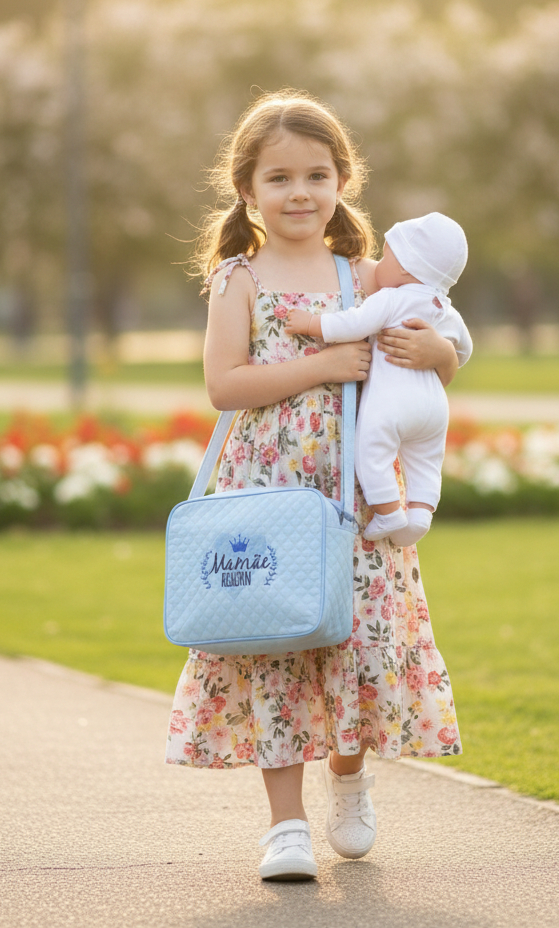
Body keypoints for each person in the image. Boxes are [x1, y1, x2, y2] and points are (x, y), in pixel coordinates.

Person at [166, 90, 464, 883]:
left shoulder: (363, 275)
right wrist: (327, 364)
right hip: (267, 486)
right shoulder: (238, 278)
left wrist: (440, 354)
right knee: (274, 644)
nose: (300, 193)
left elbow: (439, 344)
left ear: (342, 182)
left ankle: (349, 777)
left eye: (317, 175)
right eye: (280, 178)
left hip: (353, 495)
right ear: (247, 191)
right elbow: (226, 385)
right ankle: (285, 826)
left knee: (353, 637)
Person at [283, 212, 470, 545]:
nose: (379, 263)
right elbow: (462, 353)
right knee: (426, 460)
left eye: (386, 256)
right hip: (434, 408)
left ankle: (388, 513)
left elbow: (352, 325)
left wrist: (311, 323)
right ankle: (421, 514)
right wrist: (441, 351)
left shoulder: (391, 298)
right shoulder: (447, 311)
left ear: (405, 268)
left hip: (392, 404)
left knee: (370, 451)